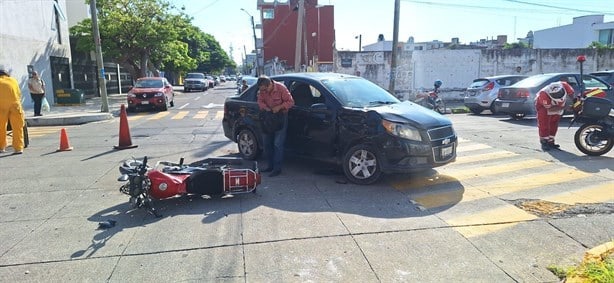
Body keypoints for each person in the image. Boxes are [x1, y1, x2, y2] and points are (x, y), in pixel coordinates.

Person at [256, 75, 294, 177]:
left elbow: (291, 102)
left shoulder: (281, 88)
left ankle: (277, 169)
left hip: (280, 117)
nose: (264, 91)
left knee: (278, 144)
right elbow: (260, 101)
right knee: (266, 143)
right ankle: (270, 166)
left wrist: (280, 107)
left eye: (265, 89)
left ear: (270, 85)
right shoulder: (262, 90)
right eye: (262, 90)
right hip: (267, 117)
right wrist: (266, 108)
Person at [535, 81, 574, 151]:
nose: (558, 95)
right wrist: (564, 107)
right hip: (543, 107)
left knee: (554, 123)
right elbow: (549, 108)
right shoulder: (543, 94)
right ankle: (544, 141)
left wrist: (573, 102)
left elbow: (571, 93)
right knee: (544, 123)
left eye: (559, 93)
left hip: (559, 105)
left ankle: (551, 141)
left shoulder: (564, 85)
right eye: (556, 94)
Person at [0, 67, 25, 154]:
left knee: (1, 126)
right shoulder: (13, 80)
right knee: (17, 127)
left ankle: (1, 147)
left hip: (1, 105)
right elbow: (19, 94)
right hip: (15, 104)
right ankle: (18, 148)